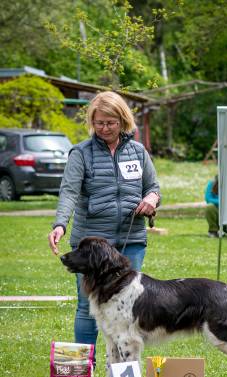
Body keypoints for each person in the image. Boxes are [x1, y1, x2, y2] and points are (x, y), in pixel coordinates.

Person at [48, 91, 161, 362]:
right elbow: (69, 192)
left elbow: (153, 187)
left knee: (126, 307)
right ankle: (84, 369)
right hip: (90, 244)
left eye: (110, 123)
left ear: (122, 121)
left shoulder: (138, 151)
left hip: (130, 239)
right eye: (99, 123)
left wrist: (150, 199)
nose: (104, 128)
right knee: (88, 307)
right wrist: (60, 224)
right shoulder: (81, 153)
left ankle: (123, 370)